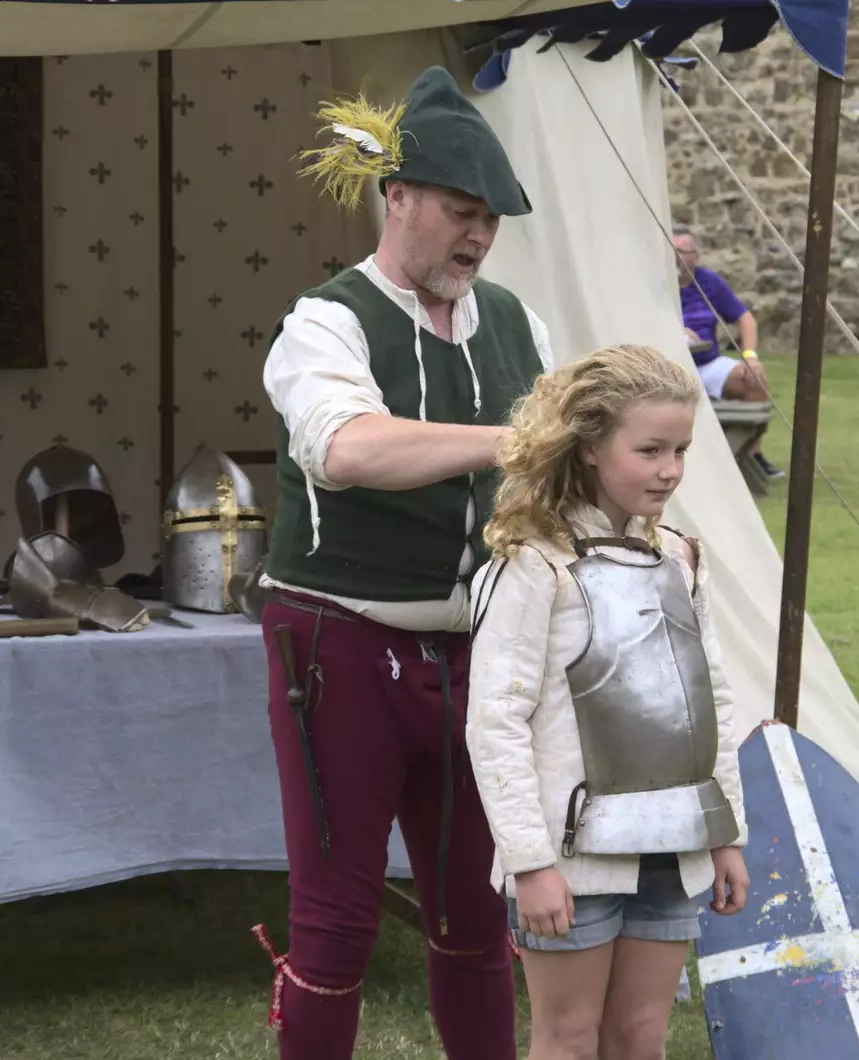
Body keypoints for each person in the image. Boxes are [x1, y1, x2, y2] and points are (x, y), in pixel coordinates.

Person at [253, 66, 554, 1060]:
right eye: (460, 212)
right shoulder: (326, 322)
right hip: (339, 648)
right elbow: (348, 450)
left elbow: (554, 474)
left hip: (482, 652)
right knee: (334, 923)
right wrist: (502, 443)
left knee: (478, 914)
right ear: (398, 198)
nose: (476, 235)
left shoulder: (517, 324)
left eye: (490, 220)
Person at [465, 344, 751, 1060]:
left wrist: (727, 834)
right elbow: (495, 721)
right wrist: (529, 862)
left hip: (674, 849)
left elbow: (707, 702)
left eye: (681, 450)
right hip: (569, 861)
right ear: (590, 446)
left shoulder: (680, 560)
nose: (670, 470)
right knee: (566, 1039)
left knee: (640, 1036)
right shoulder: (534, 564)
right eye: (650, 449)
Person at [672, 224, 783, 479]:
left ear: (695, 256)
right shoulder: (655, 282)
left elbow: (745, 318)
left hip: (706, 362)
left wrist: (750, 356)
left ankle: (752, 455)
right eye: (670, 249)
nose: (674, 256)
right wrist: (675, 329)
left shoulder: (709, 282)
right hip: (670, 367)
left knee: (754, 380)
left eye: (681, 250)